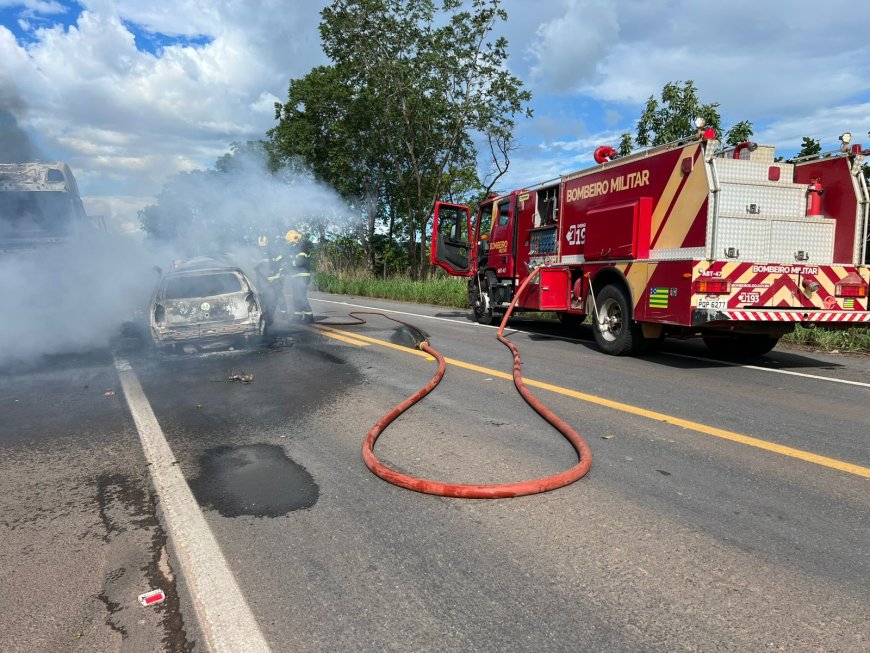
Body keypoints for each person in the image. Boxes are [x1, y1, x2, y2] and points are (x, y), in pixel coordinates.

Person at [255, 235, 287, 326]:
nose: (262, 248)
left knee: (279, 296)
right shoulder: (258, 253)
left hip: (276, 279)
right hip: (264, 281)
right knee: (267, 298)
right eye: (261, 246)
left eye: (264, 246)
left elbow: (281, 264)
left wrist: (279, 274)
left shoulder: (273, 252)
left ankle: (284, 314)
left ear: (267, 244)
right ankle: (269, 316)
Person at [284, 229, 314, 322]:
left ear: (295, 239)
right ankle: (298, 316)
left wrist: (290, 264)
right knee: (296, 297)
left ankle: (309, 317)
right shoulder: (295, 248)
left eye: (290, 242)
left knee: (301, 297)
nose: (290, 244)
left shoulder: (302, 247)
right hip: (296, 277)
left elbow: (300, 262)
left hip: (302, 277)